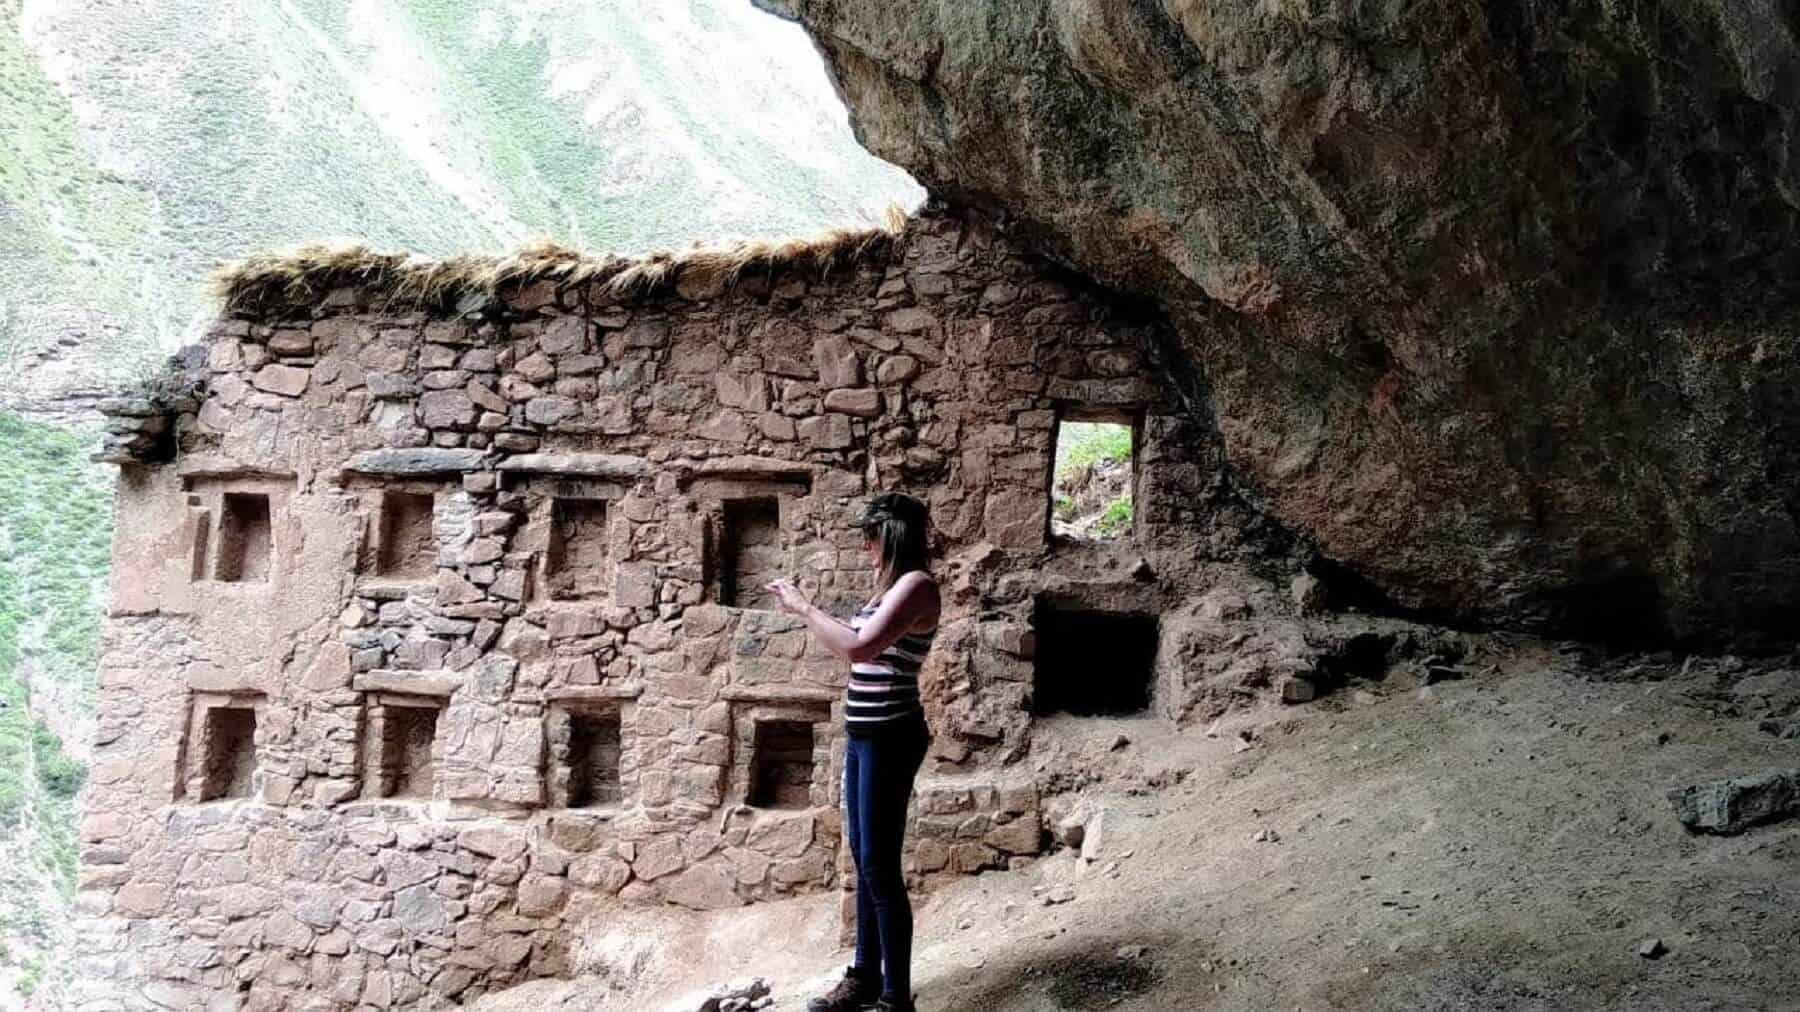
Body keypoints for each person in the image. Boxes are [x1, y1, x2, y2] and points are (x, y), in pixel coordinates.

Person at [767, 492, 940, 1012]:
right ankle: (864, 977)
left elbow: (859, 647)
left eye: (871, 536)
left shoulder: (916, 586)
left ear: (891, 536)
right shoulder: (890, 588)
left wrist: (803, 608)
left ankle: (893, 997)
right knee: (865, 863)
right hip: (865, 735)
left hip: (890, 736)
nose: (865, 546)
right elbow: (858, 644)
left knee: (880, 868)